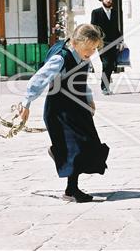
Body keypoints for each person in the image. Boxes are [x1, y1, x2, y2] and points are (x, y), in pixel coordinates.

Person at [20, 24, 110, 203]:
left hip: (78, 108)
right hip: (60, 111)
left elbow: (81, 81)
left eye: (94, 49)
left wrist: (89, 98)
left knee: (90, 146)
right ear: (75, 43)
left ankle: (58, 154)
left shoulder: (83, 57)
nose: (91, 52)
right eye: (88, 48)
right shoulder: (61, 58)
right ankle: (71, 190)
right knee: (75, 150)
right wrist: (26, 103)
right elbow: (39, 79)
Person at [91, 0, 123, 95]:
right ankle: (104, 87)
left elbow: (116, 28)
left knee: (111, 65)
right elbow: (93, 27)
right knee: (106, 63)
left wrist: (121, 40)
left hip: (113, 42)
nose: (108, 0)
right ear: (102, 0)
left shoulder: (114, 12)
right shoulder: (96, 12)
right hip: (101, 43)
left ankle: (106, 84)